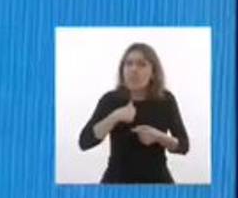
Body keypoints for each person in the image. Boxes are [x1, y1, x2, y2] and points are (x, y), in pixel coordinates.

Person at [78, 42, 189, 183]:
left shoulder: (165, 100)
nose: (134, 69)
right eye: (128, 64)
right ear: (122, 70)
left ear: (153, 72)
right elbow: (85, 142)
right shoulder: (111, 100)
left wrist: (159, 137)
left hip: (157, 180)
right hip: (117, 181)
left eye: (142, 64)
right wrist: (114, 117)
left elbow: (184, 146)